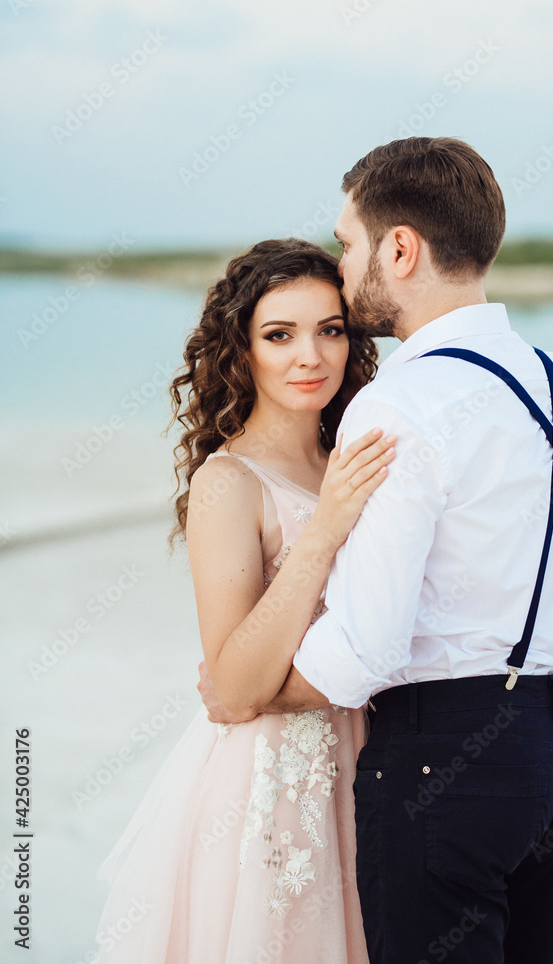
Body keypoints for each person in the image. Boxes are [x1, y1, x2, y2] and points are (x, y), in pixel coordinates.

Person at [202, 137, 553, 964]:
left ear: (400, 248)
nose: (344, 260)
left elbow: (365, 647)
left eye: (349, 241)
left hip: (447, 759)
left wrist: (246, 693)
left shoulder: (398, 405)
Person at [91, 238, 396, 963]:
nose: (311, 357)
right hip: (270, 785)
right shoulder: (228, 483)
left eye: (330, 329)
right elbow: (232, 684)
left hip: (373, 769)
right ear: (242, 350)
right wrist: (322, 532)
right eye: (279, 335)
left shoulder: (357, 456)